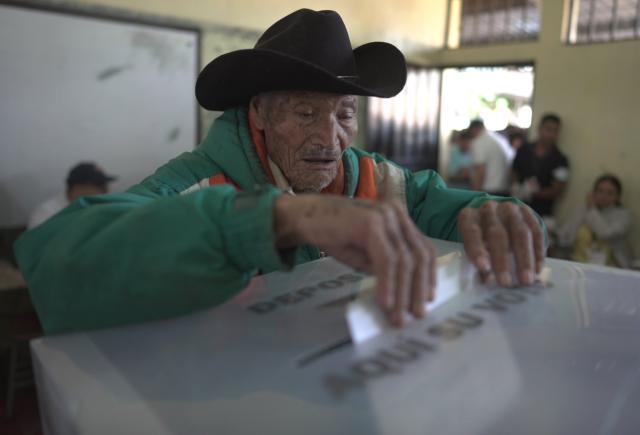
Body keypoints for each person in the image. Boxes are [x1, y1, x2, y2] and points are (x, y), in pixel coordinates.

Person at [14, 9, 546, 334]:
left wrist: (499, 215)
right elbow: (56, 269)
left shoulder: (378, 181)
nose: (330, 138)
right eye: (305, 112)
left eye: (343, 113)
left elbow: (464, 212)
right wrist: (279, 220)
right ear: (261, 112)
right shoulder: (196, 180)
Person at [557, 175, 633, 268]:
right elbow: (565, 237)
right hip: (577, 265)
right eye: (600, 191)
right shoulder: (583, 209)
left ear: (617, 196)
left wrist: (592, 209)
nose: (604, 196)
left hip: (610, 267)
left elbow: (605, 234)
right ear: (593, 193)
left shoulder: (623, 215)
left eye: (610, 193)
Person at [511, 113, 569, 217]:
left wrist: (534, 192)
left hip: (541, 213)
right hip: (518, 207)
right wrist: (517, 187)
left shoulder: (560, 160)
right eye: (548, 129)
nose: (551, 134)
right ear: (540, 128)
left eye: (555, 131)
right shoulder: (524, 150)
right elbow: (514, 171)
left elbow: (558, 190)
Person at [27, 162, 117, 229]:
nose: (106, 190)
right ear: (78, 187)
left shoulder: (103, 205)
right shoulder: (46, 213)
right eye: (99, 185)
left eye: (105, 185)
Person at [468, 119, 514, 196]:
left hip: (489, 190)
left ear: (474, 129)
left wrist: (475, 194)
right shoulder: (499, 138)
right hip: (505, 188)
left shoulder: (479, 141)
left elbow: (480, 170)